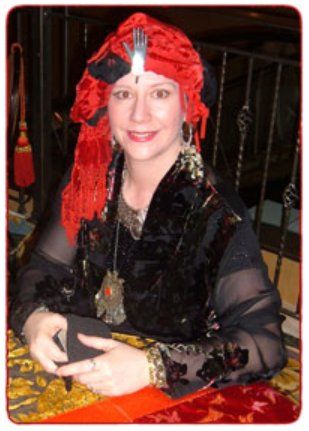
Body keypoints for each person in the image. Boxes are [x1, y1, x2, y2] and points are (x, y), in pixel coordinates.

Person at [10, 12, 287, 400]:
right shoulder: (90, 178)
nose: (139, 115)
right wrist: (35, 318)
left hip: (172, 393)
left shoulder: (214, 208)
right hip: (81, 371)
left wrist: (153, 367)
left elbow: (266, 344)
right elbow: (45, 266)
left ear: (187, 104)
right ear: (106, 105)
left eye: (159, 93)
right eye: (124, 94)